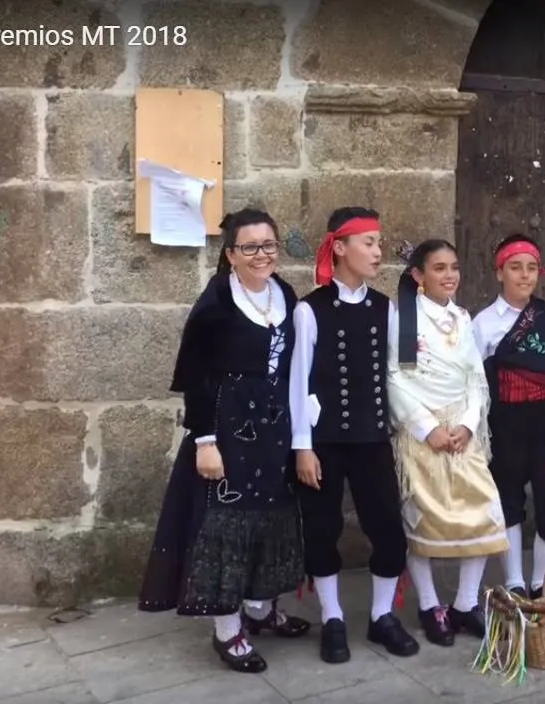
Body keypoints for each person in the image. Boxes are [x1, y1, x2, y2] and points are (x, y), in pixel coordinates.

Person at [138, 208, 310, 674]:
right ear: (231, 254)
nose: (261, 254)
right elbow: (196, 377)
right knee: (225, 527)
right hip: (228, 429)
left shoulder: (285, 294)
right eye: (249, 247)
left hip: (273, 431)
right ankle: (227, 629)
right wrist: (205, 442)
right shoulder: (216, 301)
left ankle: (260, 608)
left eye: (268, 245)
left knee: (269, 520)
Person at [289, 207, 418, 663]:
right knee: (322, 530)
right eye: (369, 242)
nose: (378, 251)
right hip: (323, 442)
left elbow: (399, 374)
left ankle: (382, 616)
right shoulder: (309, 309)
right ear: (340, 247)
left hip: (372, 438)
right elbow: (297, 382)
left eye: (379, 242)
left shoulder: (387, 308)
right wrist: (302, 447)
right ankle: (332, 618)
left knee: (388, 530)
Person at [388, 239, 509, 645]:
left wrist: (469, 424)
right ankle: (429, 605)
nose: (449, 275)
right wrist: (427, 427)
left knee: (483, 511)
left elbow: (476, 376)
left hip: (461, 431)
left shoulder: (461, 316)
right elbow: (394, 377)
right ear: (418, 275)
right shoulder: (403, 318)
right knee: (422, 517)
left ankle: (464, 603)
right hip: (422, 432)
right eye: (439, 268)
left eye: (454, 267)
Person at [472, 235, 545, 599]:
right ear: (499, 272)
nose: (524, 275)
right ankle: (515, 580)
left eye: (531, 268)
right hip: (505, 423)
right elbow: (474, 381)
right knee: (507, 501)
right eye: (515, 267)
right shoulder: (483, 323)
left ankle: (541, 582)